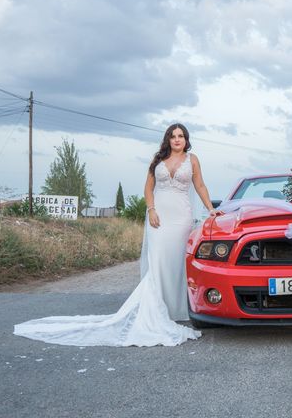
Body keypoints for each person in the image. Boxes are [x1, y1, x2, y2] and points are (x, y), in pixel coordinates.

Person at [14, 124, 219, 346]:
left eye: (181, 136)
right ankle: (156, 310)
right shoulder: (157, 159)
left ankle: (178, 310)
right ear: (167, 139)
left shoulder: (193, 160)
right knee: (158, 261)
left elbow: (199, 185)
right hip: (159, 217)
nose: (177, 139)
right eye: (173, 136)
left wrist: (210, 208)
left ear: (186, 139)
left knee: (177, 262)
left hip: (181, 217)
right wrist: (151, 210)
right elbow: (148, 189)